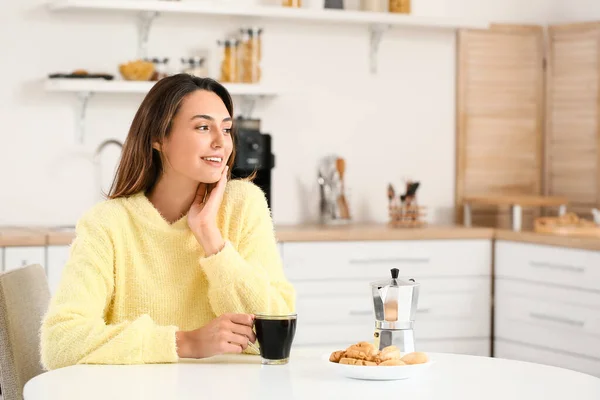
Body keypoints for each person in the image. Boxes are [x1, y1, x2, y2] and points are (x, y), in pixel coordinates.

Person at [40, 74, 296, 370]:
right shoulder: (107, 224)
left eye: (226, 130)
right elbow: (60, 343)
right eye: (203, 127)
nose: (220, 142)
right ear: (158, 138)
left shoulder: (243, 205)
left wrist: (211, 240)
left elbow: (274, 332)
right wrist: (185, 343)